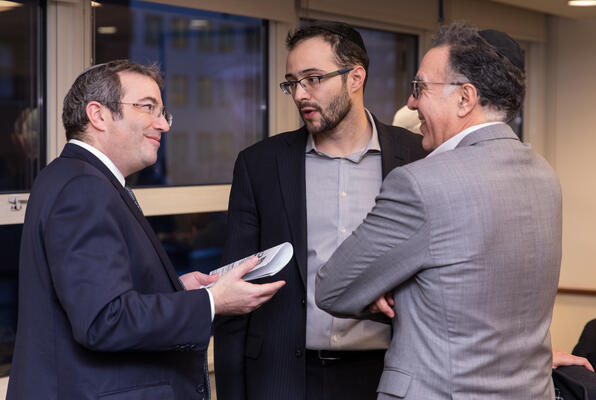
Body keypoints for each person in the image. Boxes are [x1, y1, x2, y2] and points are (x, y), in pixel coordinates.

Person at [7, 60, 285, 400]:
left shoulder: (71, 176)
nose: (163, 124)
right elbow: (104, 320)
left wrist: (176, 290)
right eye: (147, 108)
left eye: (163, 112)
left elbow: (97, 295)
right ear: (98, 115)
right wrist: (211, 301)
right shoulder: (84, 187)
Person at [316, 23, 562, 399]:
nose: (411, 103)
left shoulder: (421, 183)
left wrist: (387, 287)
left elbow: (334, 288)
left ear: (465, 98)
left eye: (419, 88)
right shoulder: (545, 176)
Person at [213, 22, 427, 400]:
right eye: (292, 83)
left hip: (389, 374)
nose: (300, 94)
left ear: (355, 77)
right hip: (284, 377)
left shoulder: (417, 157)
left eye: (313, 79)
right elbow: (235, 289)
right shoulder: (260, 165)